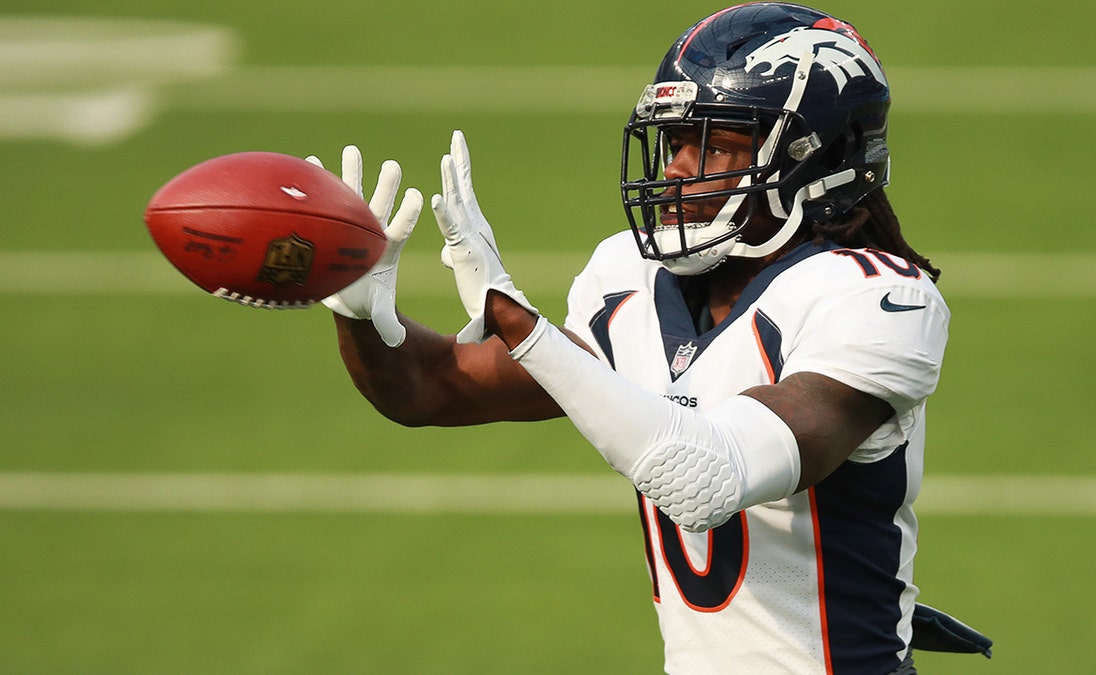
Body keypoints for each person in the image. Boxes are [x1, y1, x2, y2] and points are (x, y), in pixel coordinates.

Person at [308, 3, 990, 673]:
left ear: (817, 162)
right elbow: (429, 387)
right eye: (676, 141)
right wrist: (360, 314)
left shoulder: (877, 297)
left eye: (717, 144)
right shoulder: (629, 277)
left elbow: (708, 477)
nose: (678, 168)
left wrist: (517, 319)